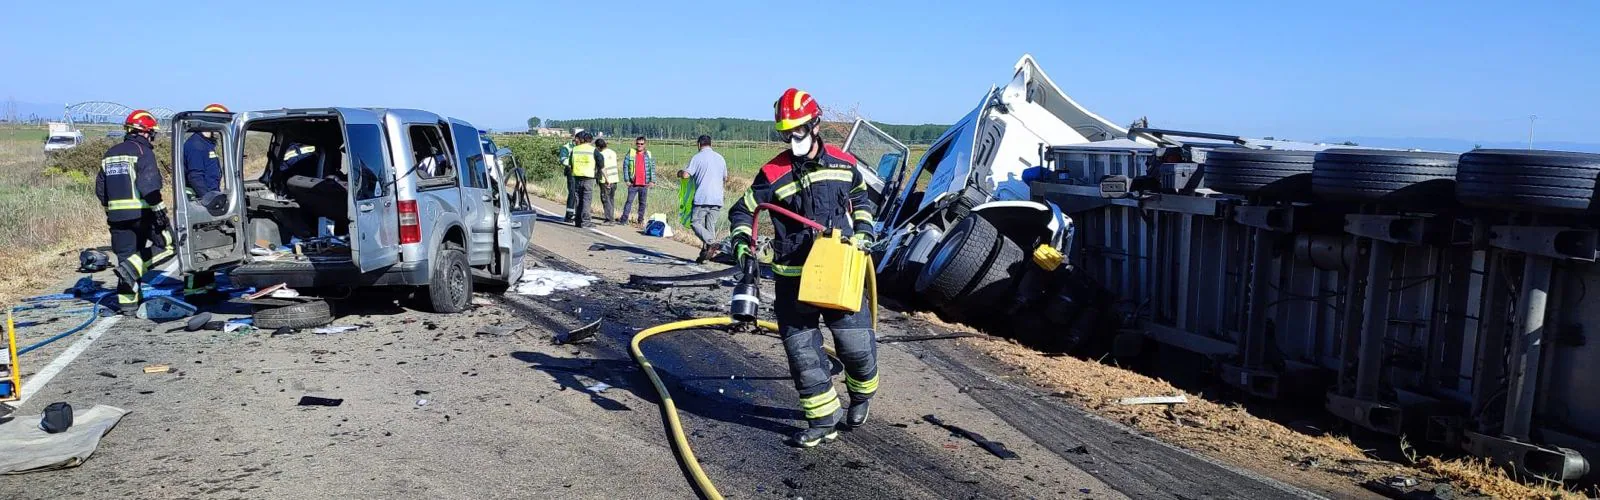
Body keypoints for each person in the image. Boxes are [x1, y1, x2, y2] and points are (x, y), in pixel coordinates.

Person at [727, 88, 879, 448]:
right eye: (785, 133)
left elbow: (860, 199)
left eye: (797, 131)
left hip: (838, 272)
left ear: (814, 124)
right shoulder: (772, 173)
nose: (791, 139)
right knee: (803, 354)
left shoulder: (844, 164)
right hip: (792, 279)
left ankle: (861, 395)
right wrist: (742, 244)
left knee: (855, 346)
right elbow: (742, 210)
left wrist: (864, 231)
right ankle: (823, 419)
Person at [95, 110, 175, 315]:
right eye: (152, 133)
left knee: (125, 256)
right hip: (142, 214)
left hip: (116, 218)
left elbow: (101, 190)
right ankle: (132, 268)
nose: (152, 137)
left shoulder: (110, 154)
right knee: (169, 244)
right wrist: (161, 214)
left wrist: (110, 211)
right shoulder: (143, 152)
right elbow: (149, 187)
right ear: (145, 132)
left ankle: (128, 306)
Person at [679, 134, 726, 262]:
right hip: (717, 198)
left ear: (699, 144)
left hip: (702, 198)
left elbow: (686, 175)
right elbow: (725, 178)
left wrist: (680, 172)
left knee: (695, 223)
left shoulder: (697, 157)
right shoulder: (720, 158)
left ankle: (711, 243)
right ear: (711, 144)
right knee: (709, 226)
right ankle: (706, 255)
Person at [182, 103, 229, 199]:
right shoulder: (196, 145)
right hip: (201, 198)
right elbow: (195, 177)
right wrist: (209, 199)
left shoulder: (206, 143)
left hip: (211, 193)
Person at [620, 136, 655, 226]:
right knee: (629, 201)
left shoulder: (649, 155)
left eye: (641, 144)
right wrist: (627, 180)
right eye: (638, 143)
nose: (639, 145)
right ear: (636, 144)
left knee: (642, 203)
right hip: (633, 183)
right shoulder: (631, 154)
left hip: (644, 184)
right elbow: (625, 167)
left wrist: (652, 181)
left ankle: (640, 220)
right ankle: (624, 219)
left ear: (645, 144)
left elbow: (652, 168)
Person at [568, 131, 600, 228]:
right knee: (586, 200)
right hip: (588, 177)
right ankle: (585, 221)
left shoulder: (575, 149)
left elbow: (570, 163)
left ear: (582, 140)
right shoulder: (593, 150)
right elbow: (601, 161)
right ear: (590, 140)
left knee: (578, 200)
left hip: (577, 177)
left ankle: (578, 221)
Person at [559, 129, 581, 223]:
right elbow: (563, 160)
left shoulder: (582, 148)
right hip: (571, 172)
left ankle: (579, 215)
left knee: (580, 194)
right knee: (572, 193)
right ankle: (569, 215)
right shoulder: (567, 147)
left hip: (581, 173)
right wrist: (573, 164)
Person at [596, 138, 620, 224]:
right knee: (611, 199)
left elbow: (602, 168)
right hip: (614, 179)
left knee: (605, 199)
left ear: (598, 147)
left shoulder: (600, 154)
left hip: (606, 180)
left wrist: (606, 179)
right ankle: (611, 216)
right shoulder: (613, 152)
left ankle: (609, 219)